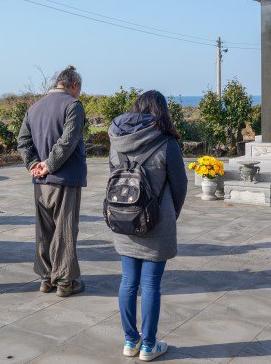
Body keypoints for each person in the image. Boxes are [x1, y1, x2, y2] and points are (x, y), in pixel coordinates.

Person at [107, 90, 187, 361]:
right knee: (151, 284)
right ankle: (149, 346)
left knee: (128, 282)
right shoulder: (166, 142)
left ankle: (131, 342)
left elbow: (114, 175)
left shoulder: (116, 139)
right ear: (162, 111)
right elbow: (180, 186)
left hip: (123, 217)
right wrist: (169, 214)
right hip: (157, 221)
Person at [17, 65, 87, 297]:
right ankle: (66, 282)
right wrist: (48, 164)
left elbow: (23, 141)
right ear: (74, 85)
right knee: (65, 230)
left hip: (40, 180)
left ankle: (46, 278)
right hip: (64, 178)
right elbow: (69, 140)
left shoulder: (34, 107)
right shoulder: (73, 106)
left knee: (44, 231)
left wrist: (33, 165)